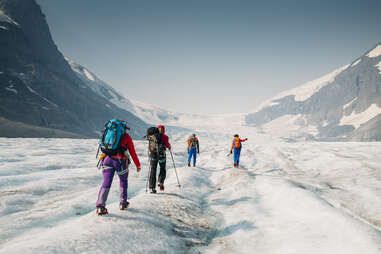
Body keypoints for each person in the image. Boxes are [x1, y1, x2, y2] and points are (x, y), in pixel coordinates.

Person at [96, 122, 141, 215]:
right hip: (119, 161)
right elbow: (132, 152)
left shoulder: (107, 133)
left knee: (106, 182)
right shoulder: (126, 136)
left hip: (106, 159)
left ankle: (100, 206)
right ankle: (123, 203)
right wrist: (138, 165)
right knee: (123, 181)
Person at [149, 125, 171, 193]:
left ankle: (152, 187)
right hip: (161, 155)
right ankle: (160, 182)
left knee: (153, 170)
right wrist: (169, 146)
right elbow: (167, 145)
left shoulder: (152, 136)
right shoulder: (165, 137)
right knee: (162, 168)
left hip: (153, 155)